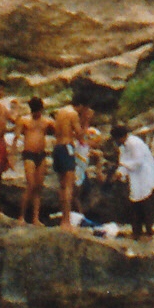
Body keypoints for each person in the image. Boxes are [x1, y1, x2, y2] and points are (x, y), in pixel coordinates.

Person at [50, 92, 88, 229]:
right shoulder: (73, 114)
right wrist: (85, 121)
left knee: (62, 186)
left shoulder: (60, 112)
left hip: (57, 147)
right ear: (81, 106)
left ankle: (64, 219)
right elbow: (80, 135)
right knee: (68, 186)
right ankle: (66, 221)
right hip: (67, 148)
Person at [116, 124, 154, 236]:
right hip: (136, 178)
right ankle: (137, 231)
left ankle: (149, 230)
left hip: (145, 176)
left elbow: (138, 161)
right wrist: (121, 172)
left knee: (146, 204)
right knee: (135, 204)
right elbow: (124, 160)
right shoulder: (124, 146)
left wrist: (123, 166)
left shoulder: (134, 143)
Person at [19, 94, 51, 225]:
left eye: (39, 111)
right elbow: (16, 136)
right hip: (29, 154)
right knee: (30, 185)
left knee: (38, 187)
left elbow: (59, 130)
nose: (37, 113)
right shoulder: (24, 121)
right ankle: (21, 216)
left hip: (41, 155)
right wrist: (12, 155)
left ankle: (35, 217)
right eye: (35, 111)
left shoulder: (47, 122)